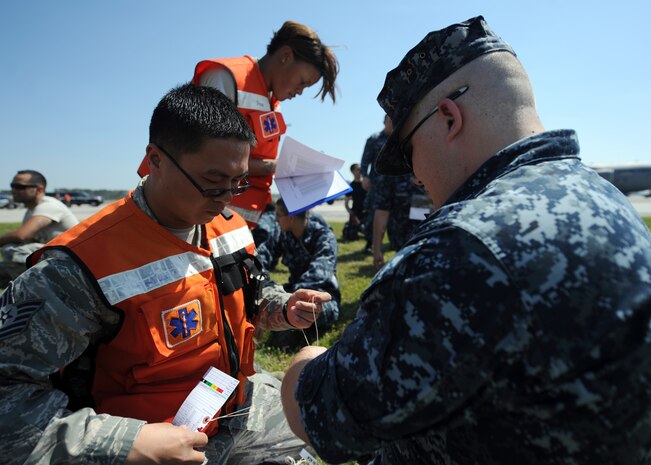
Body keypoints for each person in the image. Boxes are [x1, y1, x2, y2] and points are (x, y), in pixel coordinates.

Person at [280, 16, 651, 464]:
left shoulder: (461, 246)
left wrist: (306, 362)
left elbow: (323, 417)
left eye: (410, 154)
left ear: (450, 118)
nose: (416, 176)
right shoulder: (602, 196)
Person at [0, 84, 331, 465]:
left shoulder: (230, 226)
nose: (226, 198)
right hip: (154, 444)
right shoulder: (79, 266)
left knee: (316, 424)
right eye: (212, 181)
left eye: (237, 182)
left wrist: (282, 307)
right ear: (155, 159)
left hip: (236, 411)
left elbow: (251, 290)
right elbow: (8, 398)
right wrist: (125, 443)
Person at [138, 20, 339, 231]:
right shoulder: (227, 78)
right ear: (285, 56)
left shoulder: (272, 102)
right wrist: (278, 166)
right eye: (302, 82)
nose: (299, 91)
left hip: (230, 220)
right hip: (184, 217)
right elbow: (206, 160)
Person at [257, 198, 340, 350]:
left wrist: (290, 300)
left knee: (304, 317)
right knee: (267, 300)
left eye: (278, 215)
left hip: (320, 295)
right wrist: (260, 281)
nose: (275, 219)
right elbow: (263, 258)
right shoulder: (284, 234)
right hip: (294, 291)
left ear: (291, 217)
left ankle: (295, 327)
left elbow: (319, 274)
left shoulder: (323, 236)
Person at [0, 170, 78, 287]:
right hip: (55, 260)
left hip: (73, 263)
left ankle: (32, 291)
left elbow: (22, 235)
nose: (13, 190)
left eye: (20, 187)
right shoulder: (31, 211)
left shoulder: (49, 205)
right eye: (12, 186)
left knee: (13, 251)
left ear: (39, 189)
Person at [370, 173, 422, 269]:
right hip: (402, 244)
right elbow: (382, 213)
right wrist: (377, 249)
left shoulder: (432, 169)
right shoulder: (391, 175)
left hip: (430, 241)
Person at [359, 114, 392, 252]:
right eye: (389, 119)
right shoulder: (374, 139)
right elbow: (365, 160)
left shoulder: (401, 136)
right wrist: (364, 177)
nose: (392, 122)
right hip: (378, 185)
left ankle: (396, 241)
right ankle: (369, 243)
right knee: (373, 214)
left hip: (399, 185)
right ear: (384, 121)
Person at [342, 163, 366, 241]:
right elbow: (346, 204)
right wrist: (352, 214)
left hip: (367, 213)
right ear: (353, 172)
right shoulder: (351, 186)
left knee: (368, 232)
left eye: (361, 169)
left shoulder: (366, 184)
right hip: (356, 213)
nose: (360, 171)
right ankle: (350, 226)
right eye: (358, 170)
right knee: (351, 236)